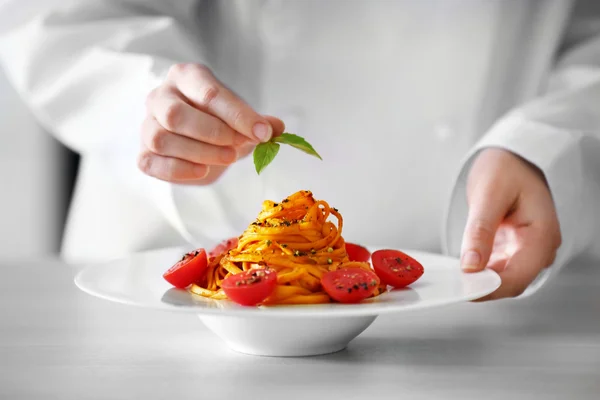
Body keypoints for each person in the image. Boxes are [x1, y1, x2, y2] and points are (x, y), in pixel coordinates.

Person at [0, 0, 599, 301]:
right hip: (172, 254)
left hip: (487, 276)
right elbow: (65, 17)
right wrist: (147, 103)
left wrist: (548, 143)